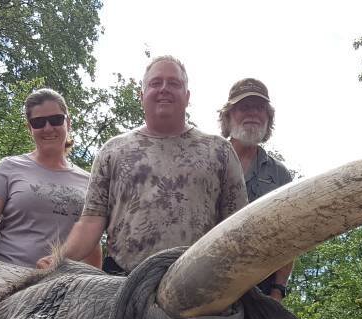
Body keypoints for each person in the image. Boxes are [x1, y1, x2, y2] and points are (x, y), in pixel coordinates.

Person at [47, 55, 247, 273]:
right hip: (123, 281)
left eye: (174, 83)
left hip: (197, 284)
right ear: (141, 95)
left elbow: (238, 228)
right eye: (155, 83)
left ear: (187, 96)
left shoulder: (219, 151)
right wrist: (58, 259)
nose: (164, 88)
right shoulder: (112, 151)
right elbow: (90, 223)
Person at [0, 88, 98, 267]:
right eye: (38, 122)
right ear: (29, 128)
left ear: (68, 123)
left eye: (56, 120)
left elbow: (92, 240)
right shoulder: (9, 167)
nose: (48, 128)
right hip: (7, 276)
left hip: (62, 285)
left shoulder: (90, 181)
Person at [219, 77, 294, 301]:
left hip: (260, 289)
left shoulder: (279, 174)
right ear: (228, 116)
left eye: (259, 108)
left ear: (268, 117)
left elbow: (288, 236)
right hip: (207, 282)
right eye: (244, 107)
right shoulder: (207, 159)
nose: (252, 113)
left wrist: (278, 290)